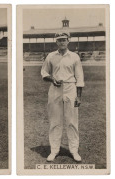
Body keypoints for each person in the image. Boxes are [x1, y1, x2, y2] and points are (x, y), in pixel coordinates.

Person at [41, 32, 84, 162]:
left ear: (68, 41)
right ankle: (54, 150)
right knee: (55, 121)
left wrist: (79, 96)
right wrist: (52, 79)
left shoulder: (74, 57)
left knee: (72, 121)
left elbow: (80, 78)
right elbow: (44, 72)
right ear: (56, 42)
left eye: (64, 40)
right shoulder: (51, 56)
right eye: (59, 40)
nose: (62, 42)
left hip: (71, 88)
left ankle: (74, 150)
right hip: (55, 89)